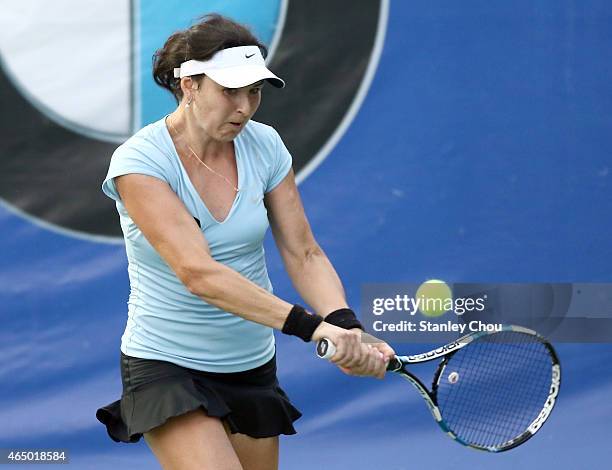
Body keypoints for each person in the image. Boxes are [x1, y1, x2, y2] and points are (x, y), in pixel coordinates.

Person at [96, 13, 395, 470]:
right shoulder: (140, 161)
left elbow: (304, 251)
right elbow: (198, 274)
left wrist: (346, 325)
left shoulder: (266, 146)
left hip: (249, 365)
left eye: (253, 91)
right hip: (167, 364)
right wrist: (313, 327)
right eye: (229, 91)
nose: (244, 107)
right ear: (191, 84)